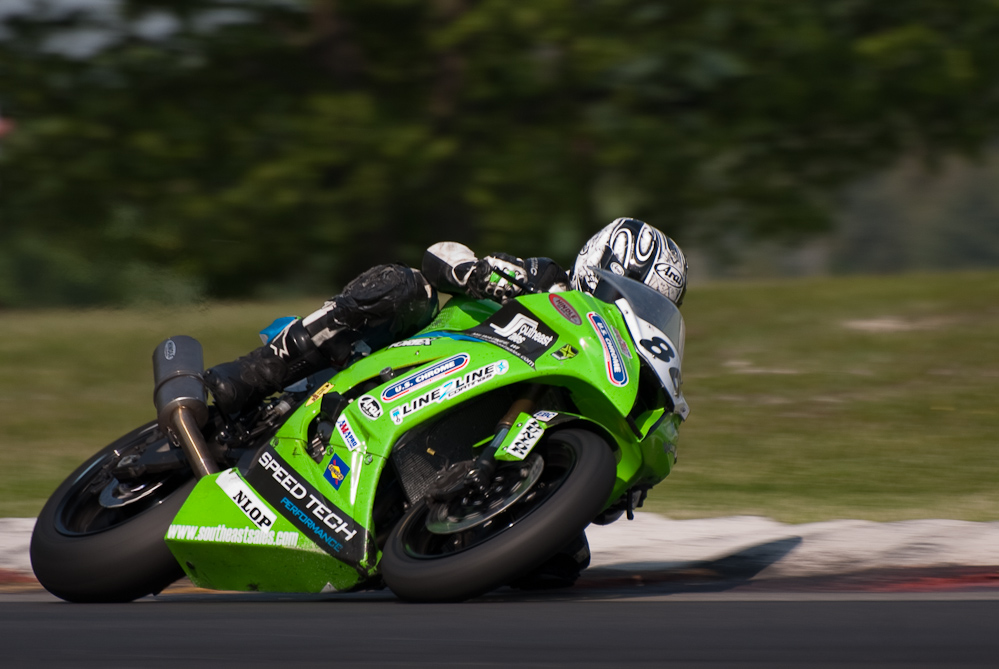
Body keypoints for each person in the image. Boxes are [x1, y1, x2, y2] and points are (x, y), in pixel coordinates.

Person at [204, 217, 688, 414]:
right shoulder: (542, 275)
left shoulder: (616, 367)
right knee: (403, 284)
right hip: (422, 356)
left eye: (648, 305)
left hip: (483, 415)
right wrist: (478, 275)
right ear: (595, 264)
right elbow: (441, 256)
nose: (628, 308)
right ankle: (256, 371)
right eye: (625, 289)